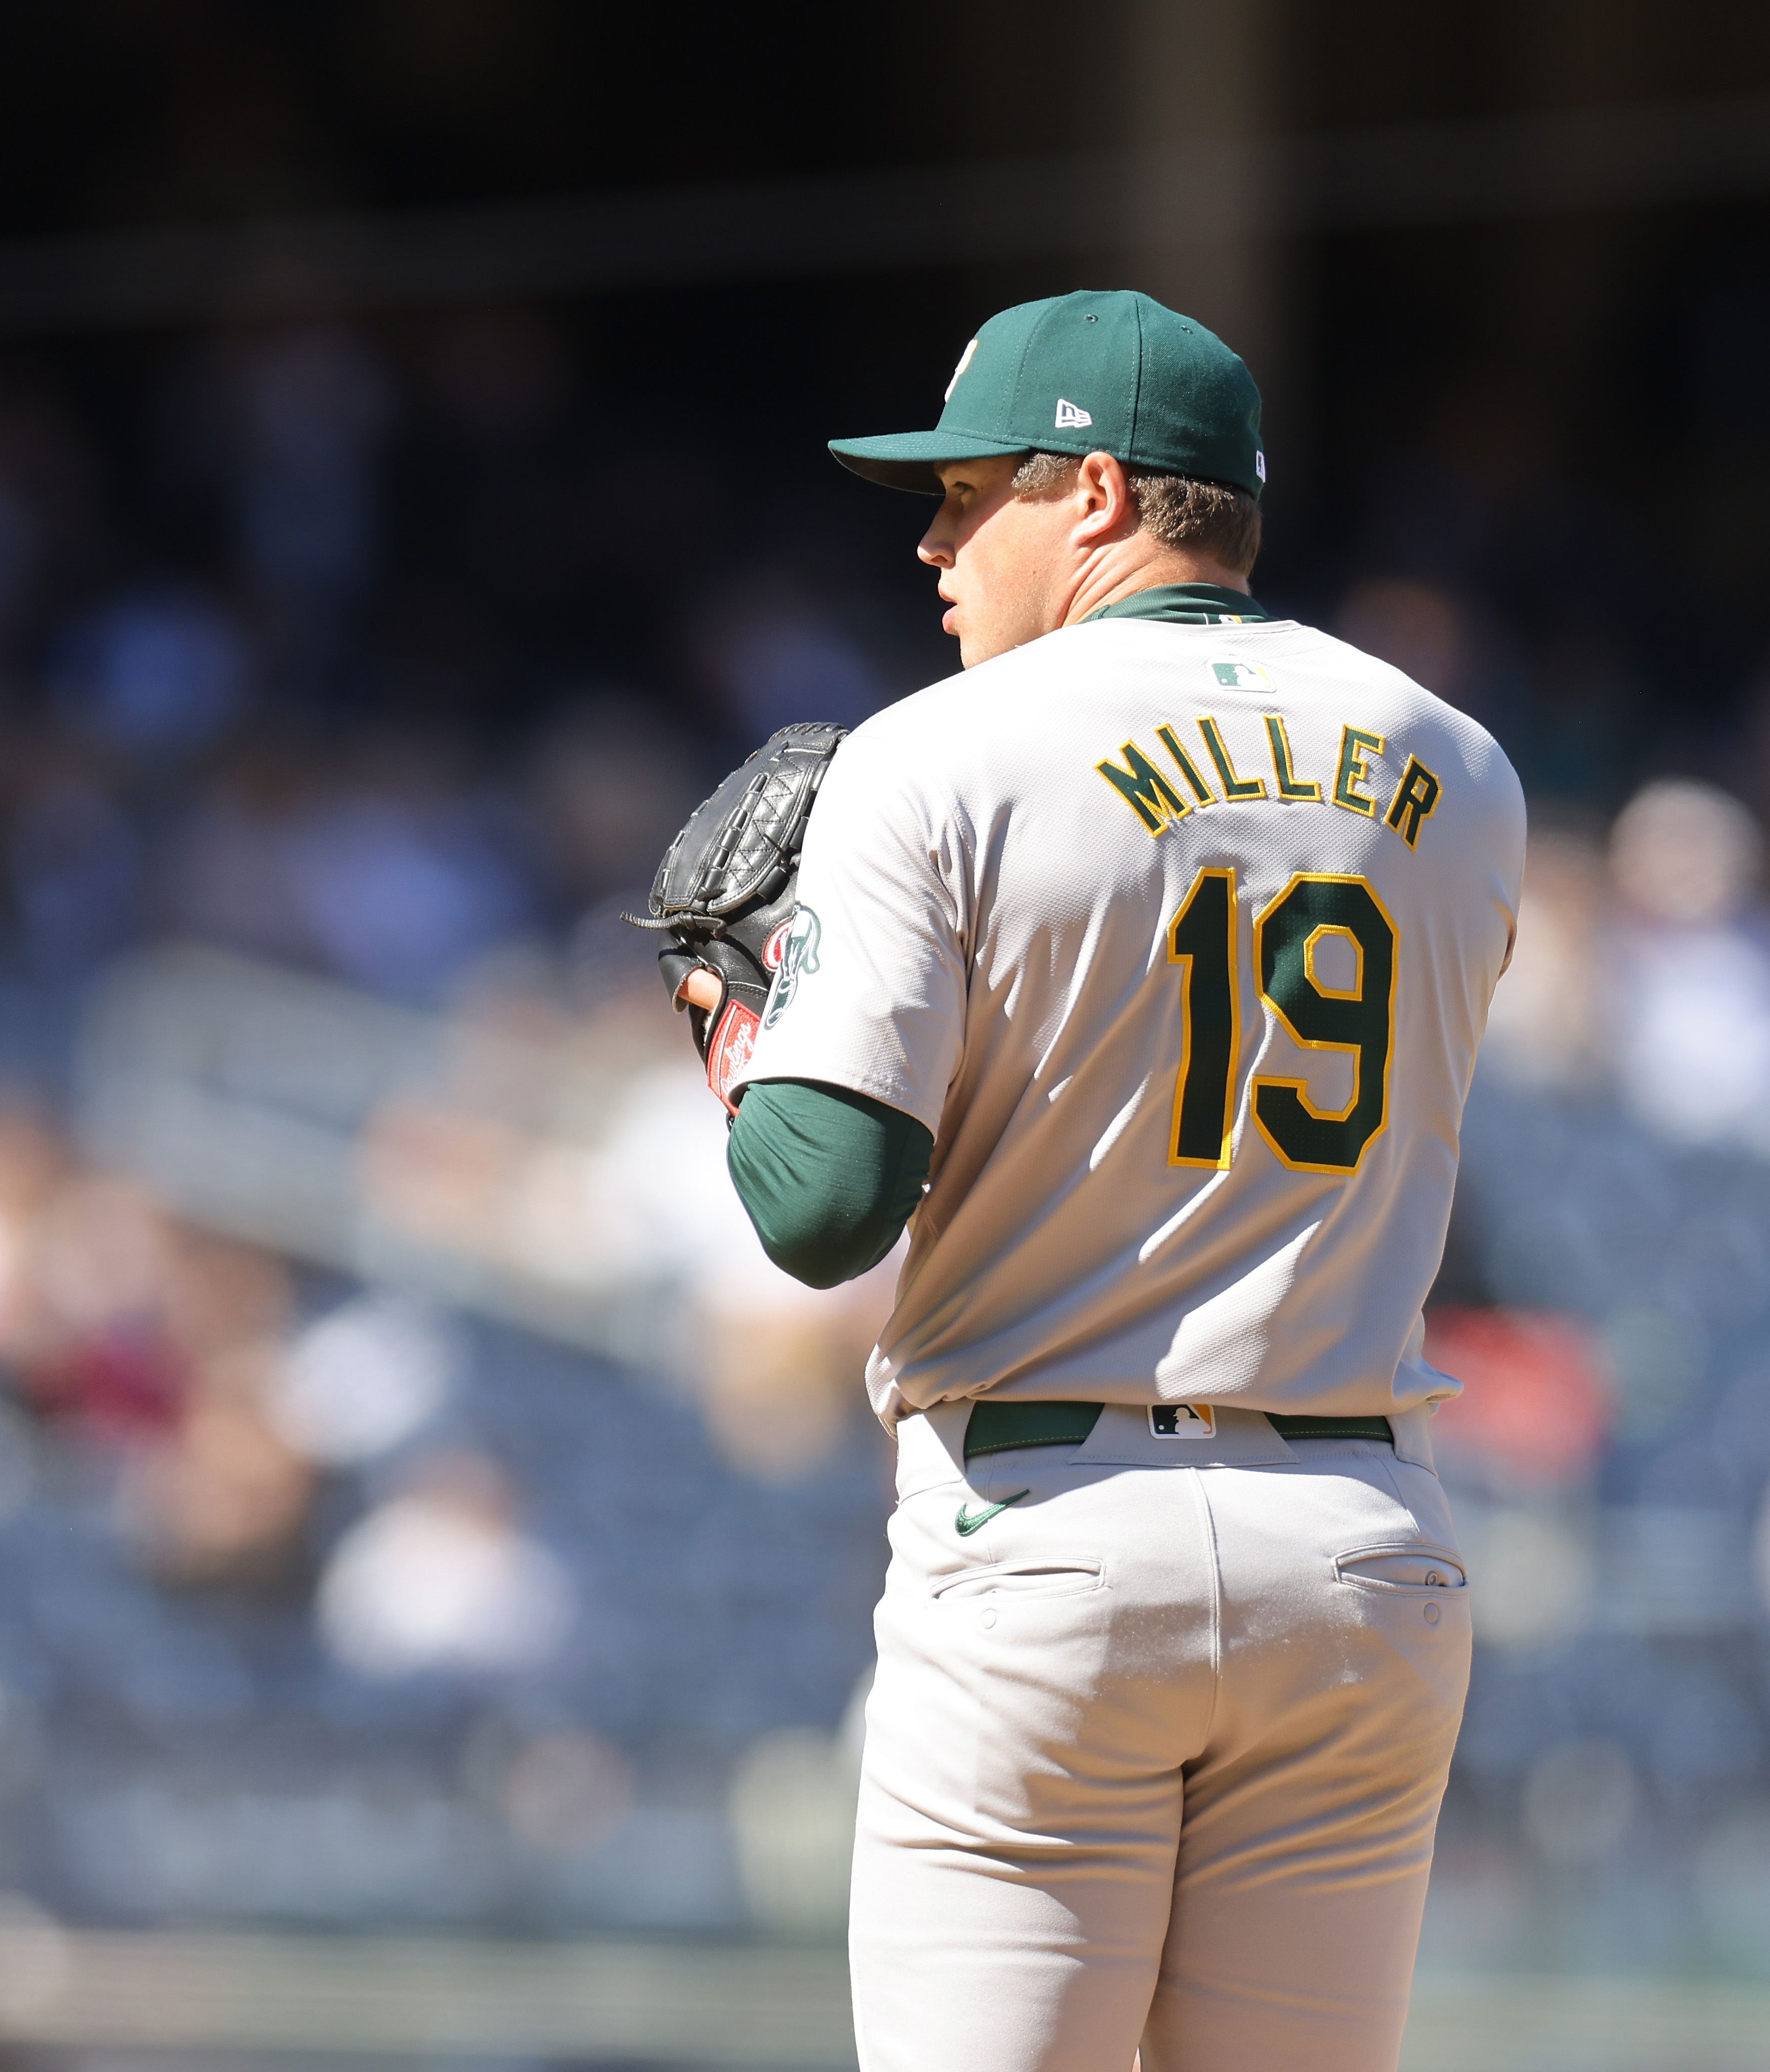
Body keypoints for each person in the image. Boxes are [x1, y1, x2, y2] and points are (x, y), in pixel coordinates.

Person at [715, 291, 1523, 2069]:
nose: (931, 542)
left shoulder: (933, 749)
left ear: (1093, 492)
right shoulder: (1453, 762)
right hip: (1358, 1546)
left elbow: (820, 1202)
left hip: (1049, 1535)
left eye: (965, 491)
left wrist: (731, 1035)